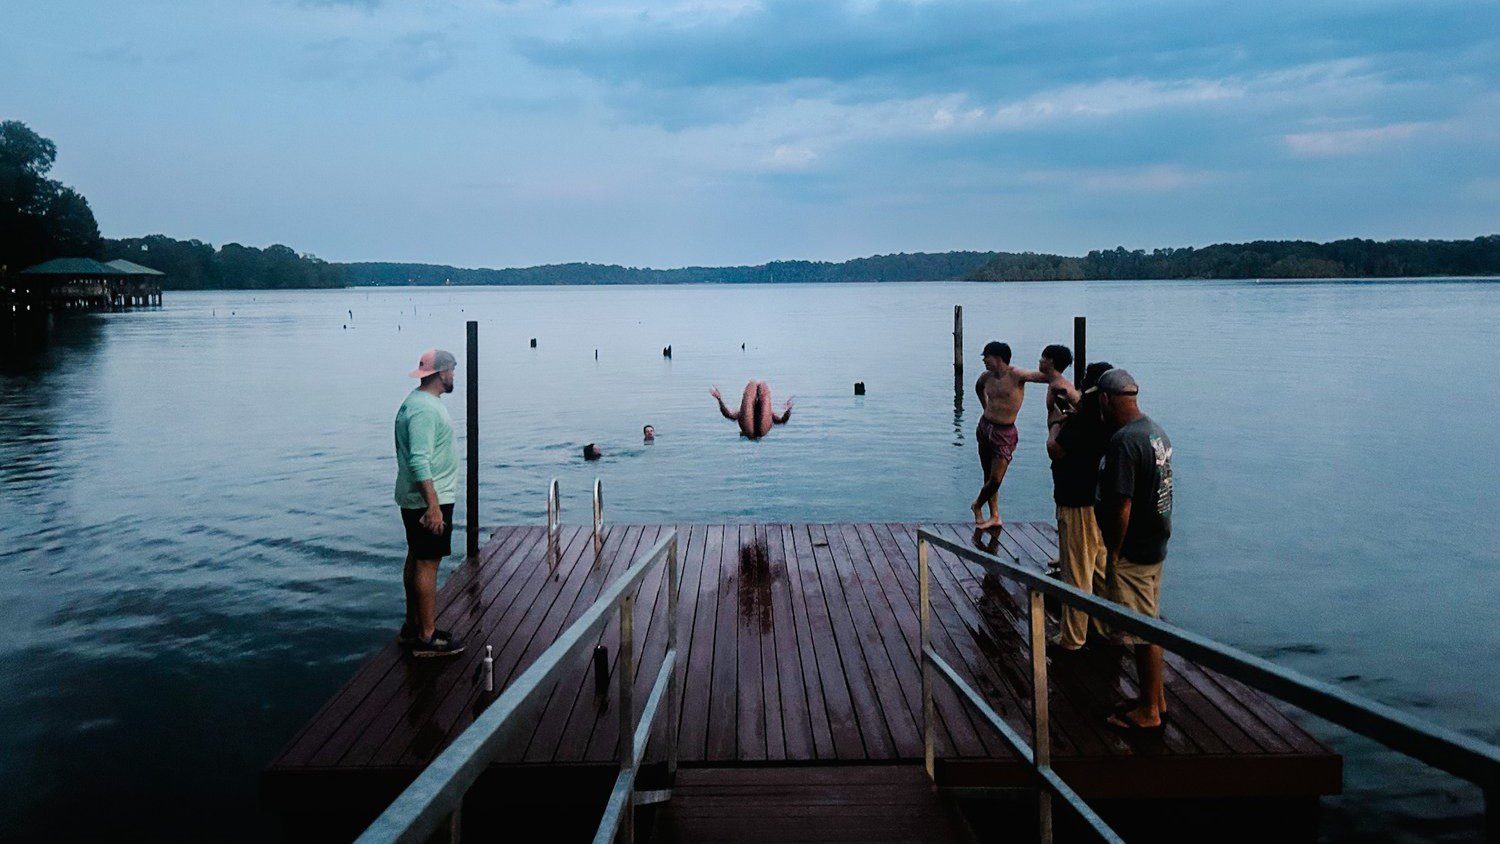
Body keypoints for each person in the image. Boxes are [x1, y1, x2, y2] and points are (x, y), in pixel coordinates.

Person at [1096, 369, 1173, 731]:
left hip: (1135, 549)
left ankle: (1149, 713)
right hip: (1156, 541)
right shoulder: (1155, 431)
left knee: (1143, 631)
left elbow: (1122, 505)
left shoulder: (1124, 442)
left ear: (1106, 400)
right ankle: (1154, 698)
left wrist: (1113, 550)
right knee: (1150, 621)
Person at [393, 348, 465, 658]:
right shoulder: (424, 410)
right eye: (451, 371)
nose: (453, 376)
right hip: (428, 498)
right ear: (440, 373)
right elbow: (420, 461)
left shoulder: (417, 401)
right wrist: (433, 506)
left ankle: (413, 626)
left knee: (417, 556)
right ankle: (426, 636)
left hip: (417, 497)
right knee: (427, 562)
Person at [1046, 361, 1114, 654]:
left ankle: (1072, 637)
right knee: (1099, 569)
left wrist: (1055, 422)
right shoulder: (1107, 418)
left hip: (1076, 502)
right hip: (1099, 502)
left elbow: (1056, 448)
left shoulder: (1081, 420)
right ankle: (1101, 627)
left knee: (1075, 571)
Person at [972, 341, 1049, 529]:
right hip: (985, 427)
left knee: (996, 479)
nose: (984, 360)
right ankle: (995, 515)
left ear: (998, 358)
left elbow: (1043, 377)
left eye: (987, 356)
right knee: (987, 474)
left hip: (1004, 432)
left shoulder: (1016, 375)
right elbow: (978, 387)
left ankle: (977, 505)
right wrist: (985, 407)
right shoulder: (986, 377)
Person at [1039, 344, 1081, 455]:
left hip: (1062, 446)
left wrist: (1053, 440)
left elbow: (1068, 413)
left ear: (1051, 361)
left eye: (1043, 357)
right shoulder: (1055, 382)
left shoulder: (1059, 388)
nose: (1040, 360)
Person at [711, 381, 792, 439]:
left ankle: (748, 436)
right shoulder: (769, 414)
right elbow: (782, 421)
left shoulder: (743, 413)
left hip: (751, 431)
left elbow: (728, 415)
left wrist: (719, 399)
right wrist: (788, 411)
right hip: (757, 431)